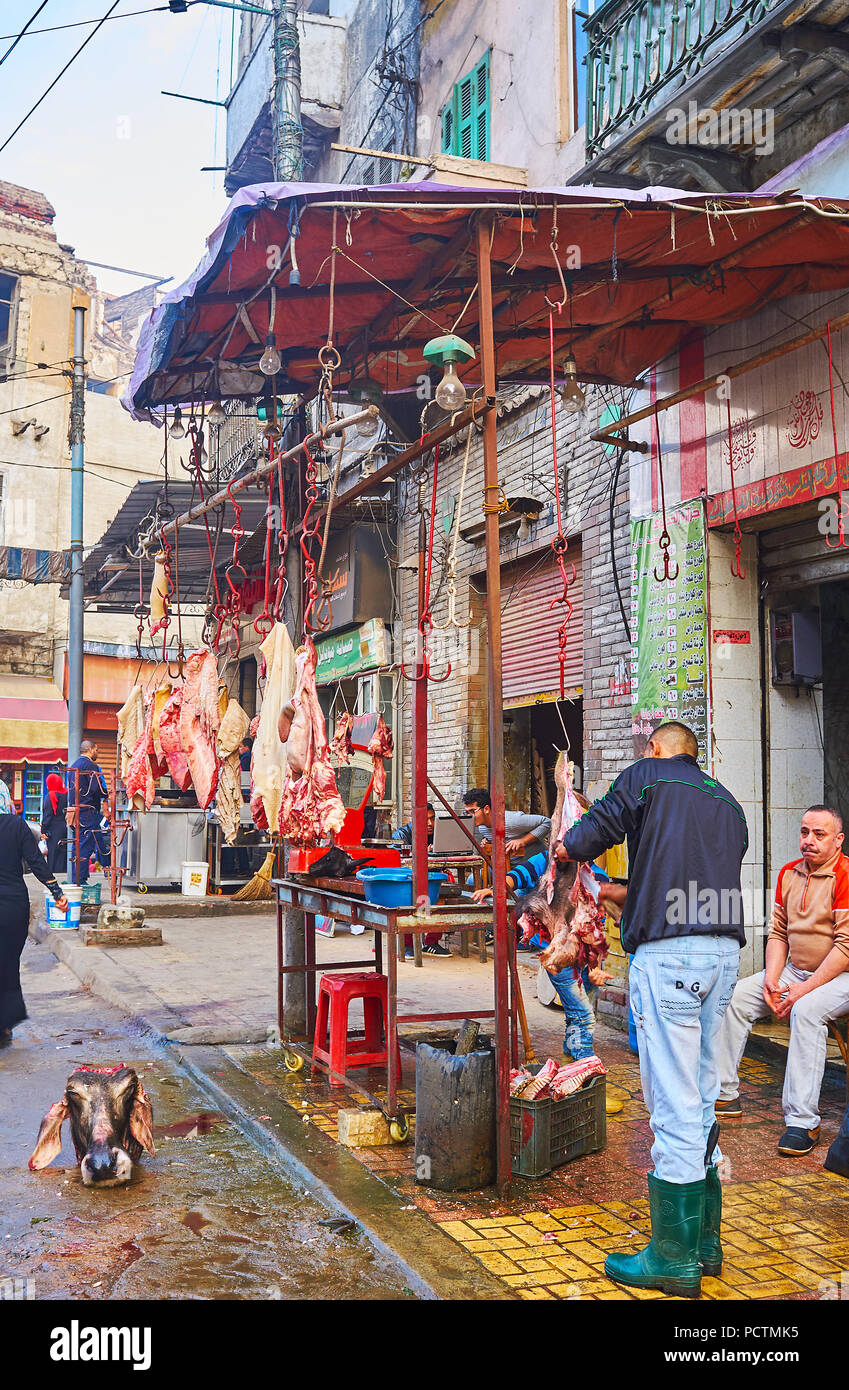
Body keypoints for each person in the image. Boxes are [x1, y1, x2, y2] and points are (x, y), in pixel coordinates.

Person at [553, 720, 748, 1298]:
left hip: (672, 961)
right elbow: (688, 876)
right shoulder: (728, 802)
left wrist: (567, 846)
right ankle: (706, 1245)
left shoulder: (648, 777)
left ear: (657, 748)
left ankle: (671, 1258)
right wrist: (628, 891)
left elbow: (593, 831)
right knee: (703, 1086)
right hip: (723, 955)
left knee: (672, 1100)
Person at [717, 805, 849, 1157]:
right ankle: (724, 1093)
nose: (808, 841)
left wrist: (801, 991)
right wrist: (772, 982)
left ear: (838, 840)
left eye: (819, 835)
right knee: (736, 996)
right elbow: (778, 934)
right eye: (805, 832)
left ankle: (803, 1122)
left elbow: (845, 947)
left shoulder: (846, 875)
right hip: (796, 971)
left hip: (841, 976)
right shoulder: (789, 874)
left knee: (805, 1011)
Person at [474, 849, 613, 1061]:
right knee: (583, 1015)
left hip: (584, 954)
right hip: (554, 952)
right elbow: (520, 874)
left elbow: (596, 928)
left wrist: (595, 966)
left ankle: (571, 1047)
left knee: (577, 1009)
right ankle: (584, 1062)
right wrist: (498, 889)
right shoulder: (547, 861)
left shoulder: (599, 878)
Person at [0, 807, 67, 1047]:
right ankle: (5, 1024)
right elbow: (36, 861)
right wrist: (57, 891)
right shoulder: (17, 825)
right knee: (8, 962)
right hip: (13, 906)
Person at [393, 806, 446, 957]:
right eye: (425, 819)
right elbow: (397, 860)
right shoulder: (401, 834)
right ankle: (407, 943)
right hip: (408, 876)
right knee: (409, 896)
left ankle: (431, 942)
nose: (430, 823)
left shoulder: (439, 833)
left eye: (432, 818)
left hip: (432, 875)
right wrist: (421, 853)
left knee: (446, 887)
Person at [462, 789, 551, 868]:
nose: (470, 816)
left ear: (486, 809)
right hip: (508, 867)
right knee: (471, 880)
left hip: (534, 866)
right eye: (467, 812)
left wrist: (522, 841)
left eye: (473, 811)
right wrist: (489, 842)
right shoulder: (482, 827)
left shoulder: (511, 821)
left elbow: (547, 822)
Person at [67, 740, 110, 883]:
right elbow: (96, 789)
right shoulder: (91, 766)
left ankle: (76, 878)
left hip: (74, 810)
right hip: (88, 811)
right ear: (90, 750)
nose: (97, 753)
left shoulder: (73, 766)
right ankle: (80, 880)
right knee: (85, 845)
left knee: (77, 844)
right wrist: (105, 795)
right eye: (96, 750)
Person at [40, 773, 68, 876]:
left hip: (54, 831)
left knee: (53, 855)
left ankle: (55, 877)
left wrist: (43, 831)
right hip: (66, 828)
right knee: (64, 854)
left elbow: (48, 816)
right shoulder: (67, 794)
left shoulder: (51, 796)